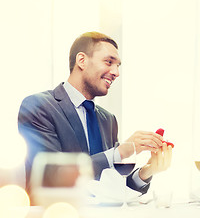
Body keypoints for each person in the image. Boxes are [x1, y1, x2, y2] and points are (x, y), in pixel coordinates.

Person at [18, 31, 172, 195]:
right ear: (82, 61)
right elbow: (49, 176)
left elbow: (111, 186)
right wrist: (120, 152)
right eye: (109, 62)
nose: (116, 72)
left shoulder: (108, 120)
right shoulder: (39, 106)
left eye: (118, 66)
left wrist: (146, 171)